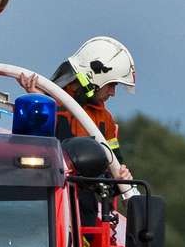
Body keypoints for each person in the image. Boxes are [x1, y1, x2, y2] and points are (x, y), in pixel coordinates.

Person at [51, 37, 135, 166]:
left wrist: (122, 173)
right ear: (93, 77)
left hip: (89, 185)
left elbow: (116, 161)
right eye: (111, 85)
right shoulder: (49, 106)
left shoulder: (105, 119)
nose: (112, 93)